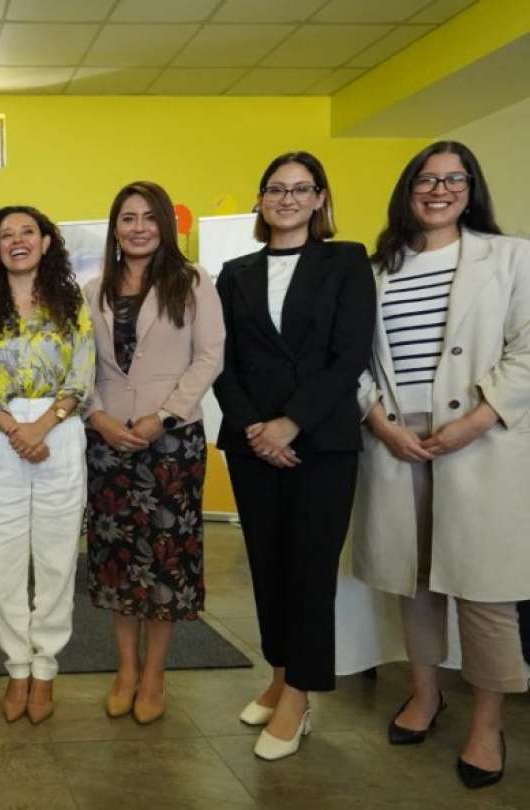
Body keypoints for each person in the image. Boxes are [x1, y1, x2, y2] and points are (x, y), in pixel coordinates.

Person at [353, 141, 530, 789]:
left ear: (471, 189)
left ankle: (487, 722)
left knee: (485, 591)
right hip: (398, 440)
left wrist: (476, 420)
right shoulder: (378, 269)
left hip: (481, 439)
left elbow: (528, 350)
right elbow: (354, 359)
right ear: (408, 190)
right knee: (416, 581)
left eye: (454, 179)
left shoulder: (510, 257)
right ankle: (426, 694)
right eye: (426, 179)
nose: (439, 190)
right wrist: (379, 421)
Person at [212, 151, 375, 761]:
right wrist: (256, 428)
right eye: (276, 189)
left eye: (301, 189)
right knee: (268, 567)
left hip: (321, 443)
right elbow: (221, 360)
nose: (287, 199)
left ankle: (300, 697)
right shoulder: (235, 272)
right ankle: (279, 676)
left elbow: (349, 354)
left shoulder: (346, 261)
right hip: (251, 445)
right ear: (260, 200)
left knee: (309, 572)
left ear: (320, 199)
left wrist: (291, 424)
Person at [82, 181, 224, 724]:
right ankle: (125, 669)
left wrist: (162, 416)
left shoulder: (192, 282)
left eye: (148, 217)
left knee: (165, 559)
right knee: (117, 560)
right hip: (108, 440)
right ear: (114, 228)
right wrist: (97, 416)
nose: (138, 227)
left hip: (171, 442)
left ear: (165, 224)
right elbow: (80, 363)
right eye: (127, 218)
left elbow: (209, 356)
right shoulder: (93, 289)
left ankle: (154, 675)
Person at [0, 205, 94, 725]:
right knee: (4, 558)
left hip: (59, 431)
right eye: (6, 234)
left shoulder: (72, 303)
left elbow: (82, 373)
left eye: (27, 232)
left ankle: (45, 670)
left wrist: (41, 426)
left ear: (45, 242)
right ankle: (17, 667)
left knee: (58, 558)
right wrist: (15, 428)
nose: (17, 240)